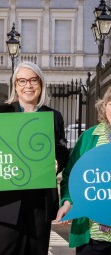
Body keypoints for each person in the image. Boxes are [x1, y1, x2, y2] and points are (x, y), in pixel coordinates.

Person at [0, 61, 69, 255]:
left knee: (36, 251)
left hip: (39, 199)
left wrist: (58, 163)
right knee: (6, 250)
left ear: (41, 85)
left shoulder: (53, 116)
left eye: (33, 80)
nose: (28, 85)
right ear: (15, 85)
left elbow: (61, 148)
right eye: (22, 80)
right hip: (5, 200)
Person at [56, 86, 111, 255]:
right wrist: (67, 202)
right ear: (105, 105)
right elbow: (71, 176)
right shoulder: (89, 137)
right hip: (94, 238)